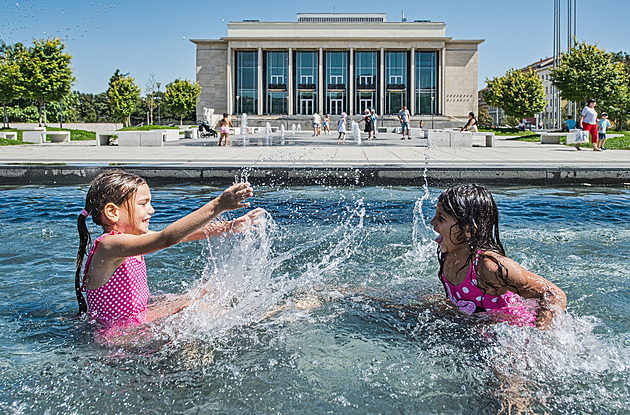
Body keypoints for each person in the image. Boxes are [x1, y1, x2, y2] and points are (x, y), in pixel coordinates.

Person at [74, 170, 264, 328]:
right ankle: (258, 318)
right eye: (143, 204)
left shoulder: (129, 242)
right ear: (112, 212)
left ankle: (251, 315)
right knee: (196, 309)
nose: (151, 210)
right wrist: (217, 205)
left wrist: (229, 226)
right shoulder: (109, 246)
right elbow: (167, 237)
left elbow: (183, 235)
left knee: (206, 292)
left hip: (135, 320)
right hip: (119, 336)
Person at [429, 184, 566, 329]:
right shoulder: (449, 254)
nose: (433, 222)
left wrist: (541, 334)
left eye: (441, 218)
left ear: (467, 229)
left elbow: (554, 293)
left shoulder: (489, 267)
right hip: (476, 328)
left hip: (511, 334)